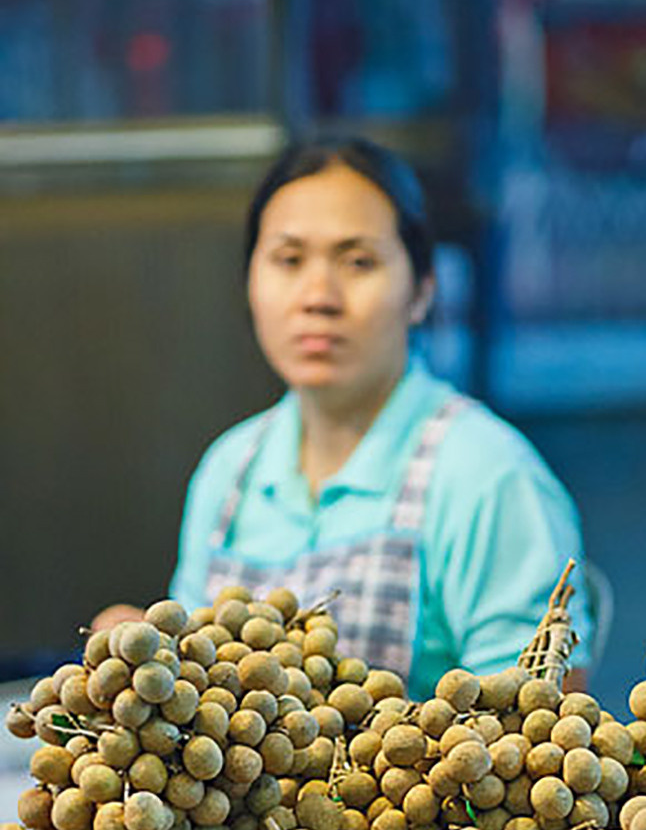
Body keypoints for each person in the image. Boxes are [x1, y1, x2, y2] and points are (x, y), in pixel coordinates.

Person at [98, 137, 593, 695]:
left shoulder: (490, 477)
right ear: (250, 281)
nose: (318, 296)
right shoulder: (230, 468)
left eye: (358, 261)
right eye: (288, 260)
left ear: (422, 290)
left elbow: (536, 733)